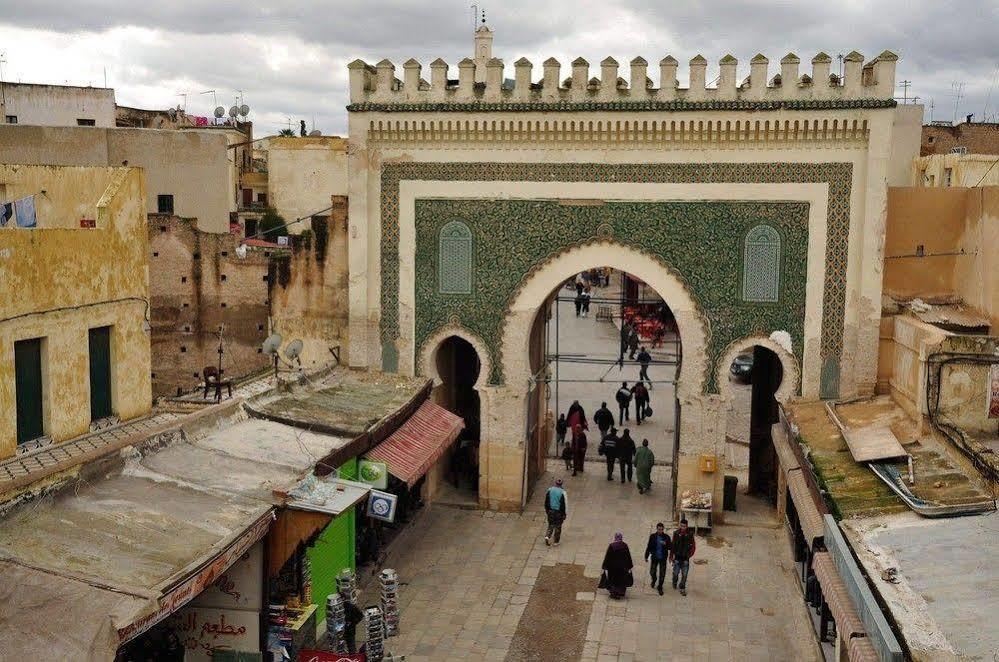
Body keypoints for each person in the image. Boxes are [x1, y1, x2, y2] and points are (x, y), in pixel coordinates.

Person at [601, 533, 634, 599]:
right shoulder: (625, 545)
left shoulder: (612, 546)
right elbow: (628, 556)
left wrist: (605, 566)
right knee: (621, 580)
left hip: (613, 567)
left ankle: (614, 593)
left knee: (613, 580)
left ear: (615, 537)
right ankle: (620, 592)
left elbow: (608, 557)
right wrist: (629, 566)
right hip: (623, 567)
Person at [670, 518, 697, 596]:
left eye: (684, 526)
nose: (682, 528)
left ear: (687, 526)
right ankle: (674, 582)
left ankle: (682, 587)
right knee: (675, 573)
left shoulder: (690, 534)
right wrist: (671, 556)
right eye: (681, 526)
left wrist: (689, 555)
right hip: (677, 558)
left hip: (685, 559)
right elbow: (673, 545)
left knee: (684, 575)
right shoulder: (676, 533)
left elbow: (693, 546)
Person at [644, 523, 672, 595]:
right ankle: (654, 580)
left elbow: (670, 547)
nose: (660, 531)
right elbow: (649, 546)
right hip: (654, 557)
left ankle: (660, 587)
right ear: (657, 529)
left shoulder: (666, 537)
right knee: (652, 572)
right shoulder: (653, 536)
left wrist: (665, 544)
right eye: (659, 529)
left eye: (662, 530)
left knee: (662, 574)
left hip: (663, 558)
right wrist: (646, 556)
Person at [544, 478, 567, 546]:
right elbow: (564, 504)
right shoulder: (563, 492)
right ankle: (556, 542)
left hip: (550, 511)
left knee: (551, 524)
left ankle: (547, 536)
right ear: (561, 484)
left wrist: (547, 510)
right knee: (558, 526)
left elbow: (546, 501)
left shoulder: (550, 490)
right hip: (559, 512)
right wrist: (565, 513)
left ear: (555, 483)